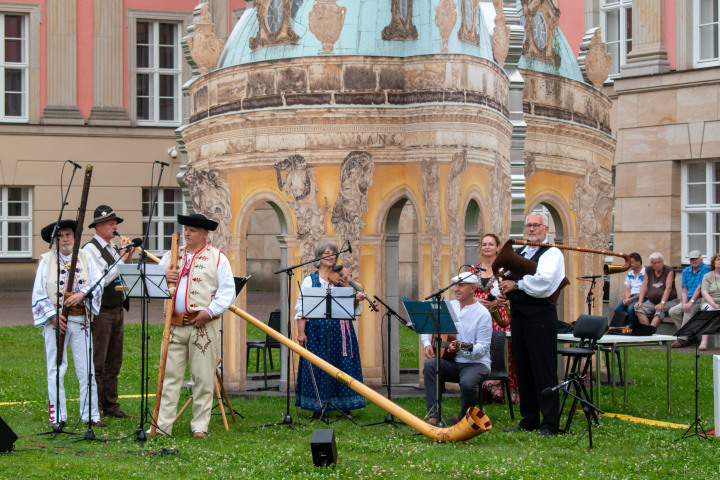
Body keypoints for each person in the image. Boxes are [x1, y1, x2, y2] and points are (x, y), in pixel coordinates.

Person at [155, 213, 235, 438]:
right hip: (175, 323)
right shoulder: (172, 255)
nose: (187, 233)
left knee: (202, 376)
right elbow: (154, 282)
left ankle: (200, 425)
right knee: (170, 376)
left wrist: (209, 312)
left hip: (203, 325)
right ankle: (163, 425)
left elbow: (228, 292)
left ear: (204, 234)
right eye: (186, 229)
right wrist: (165, 276)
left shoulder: (217, 258)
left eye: (192, 230)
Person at [32, 220, 105, 428]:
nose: (64, 239)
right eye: (61, 236)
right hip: (57, 323)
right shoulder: (46, 260)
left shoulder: (85, 257)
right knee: (56, 368)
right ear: (55, 240)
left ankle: (90, 414)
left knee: (86, 368)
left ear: (74, 237)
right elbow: (38, 292)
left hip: (81, 320)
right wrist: (53, 317)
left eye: (68, 235)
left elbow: (98, 282)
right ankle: (58, 416)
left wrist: (83, 294)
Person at [499, 212, 565, 436]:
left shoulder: (552, 253)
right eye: (528, 226)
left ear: (546, 229)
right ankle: (529, 419)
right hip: (519, 317)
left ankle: (550, 423)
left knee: (543, 370)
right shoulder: (521, 252)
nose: (531, 229)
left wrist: (515, 285)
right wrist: (502, 290)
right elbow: (506, 275)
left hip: (540, 318)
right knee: (524, 368)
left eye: (536, 225)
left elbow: (544, 282)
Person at [294, 241, 366, 417]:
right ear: (319, 256)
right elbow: (302, 309)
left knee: (343, 366)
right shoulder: (309, 281)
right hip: (316, 331)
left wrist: (357, 298)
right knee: (318, 366)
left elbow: (352, 307)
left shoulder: (341, 280)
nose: (331, 256)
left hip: (341, 331)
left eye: (334, 253)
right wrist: (301, 332)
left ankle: (345, 407)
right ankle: (317, 407)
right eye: (327, 253)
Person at [82, 205, 136, 419]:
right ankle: (95, 407)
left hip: (117, 308)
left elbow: (122, 273)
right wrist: (121, 261)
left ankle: (111, 404)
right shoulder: (90, 250)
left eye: (115, 224)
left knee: (114, 360)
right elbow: (100, 280)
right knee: (99, 360)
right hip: (101, 311)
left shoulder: (114, 248)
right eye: (111, 224)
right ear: (99, 226)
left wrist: (128, 257)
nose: (115, 227)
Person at [421, 272, 492, 425]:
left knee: (467, 383)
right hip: (451, 361)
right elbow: (428, 325)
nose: (457, 289)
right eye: (456, 285)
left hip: (476, 364)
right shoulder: (448, 306)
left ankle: (464, 418)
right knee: (430, 365)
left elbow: (483, 348)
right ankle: (434, 415)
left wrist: (460, 349)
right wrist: (427, 344)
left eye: (462, 285)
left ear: (473, 289)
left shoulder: (483, 314)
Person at [470, 233, 518, 405]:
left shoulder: (505, 270)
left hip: (499, 314)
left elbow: (510, 291)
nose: (487, 247)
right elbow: (465, 290)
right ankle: (483, 392)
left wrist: (496, 302)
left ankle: (505, 392)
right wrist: (476, 300)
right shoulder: (472, 270)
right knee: (481, 349)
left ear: (498, 247)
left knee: (501, 352)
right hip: (478, 315)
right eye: (484, 244)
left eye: (491, 244)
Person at [669, 250, 710, 348]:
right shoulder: (686, 271)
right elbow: (684, 290)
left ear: (701, 259)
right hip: (688, 298)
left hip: (700, 298)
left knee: (688, 310)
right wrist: (684, 303)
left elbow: (700, 288)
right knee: (673, 311)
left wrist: (690, 303)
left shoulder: (706, 268)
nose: (694, 261)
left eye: (696, 259)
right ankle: (690, 336)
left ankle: (682, 339)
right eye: (692, 259)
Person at [634, 252, 679, 330]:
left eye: (659, 262)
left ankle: (650, 331)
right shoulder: (648, 270)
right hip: (652, 301)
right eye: (654, 263)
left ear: (662, 262)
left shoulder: (669, 270)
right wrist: (640, 301)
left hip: (669, 301)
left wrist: (662, 303)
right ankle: (647, 331)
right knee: (638, 309)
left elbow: (668, 288)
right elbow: (644, 286)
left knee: (659, 310)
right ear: (651, 264)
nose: (657, 265)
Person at [613, 252, 644, 326]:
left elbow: (645, 291)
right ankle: (622, 328)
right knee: (617, 309)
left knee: (631, 309)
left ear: (638, 262)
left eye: (632, 262)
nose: (629, 265)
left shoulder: (645, 273)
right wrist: (627, 298)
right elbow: (627, 289)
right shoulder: (630, 274)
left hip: (641, 297)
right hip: (631, 297)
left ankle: (634, 328)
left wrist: (631, 300)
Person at [699, 253, 720, 350]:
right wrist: (714, 305)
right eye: (718, 260)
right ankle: (704, 341)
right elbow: (705, 292)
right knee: (706, 311)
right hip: (709, 302)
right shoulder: (707, 276)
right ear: (714, 262)